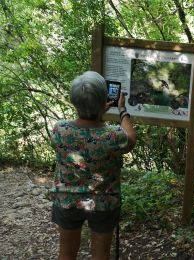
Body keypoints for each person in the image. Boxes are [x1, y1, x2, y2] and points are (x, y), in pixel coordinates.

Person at [50, 71, 136, 260]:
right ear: (103, 100)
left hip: (67, 200)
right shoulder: (113, 136)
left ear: (74, 100)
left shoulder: (60, 130)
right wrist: (122, 110)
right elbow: (130, 139)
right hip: (102, 203)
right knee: (100, 256)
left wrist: (95, 111)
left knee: (66, 253)